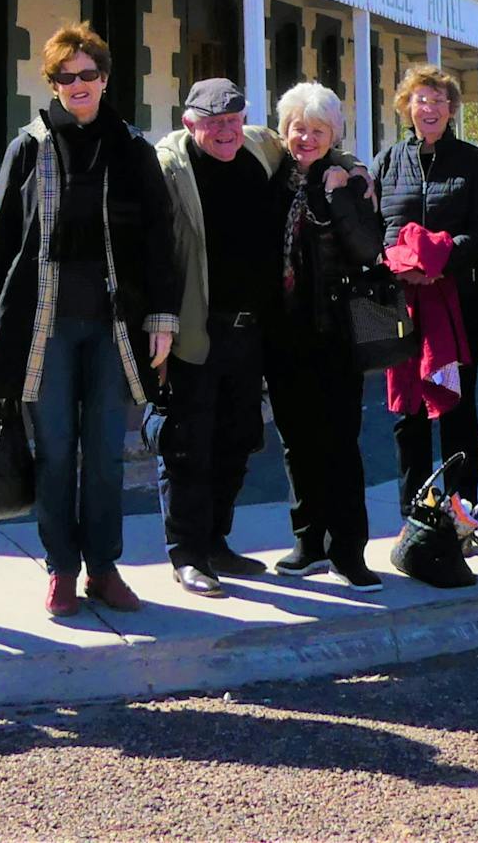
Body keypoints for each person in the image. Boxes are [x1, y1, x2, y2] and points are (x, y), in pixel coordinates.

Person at [0, 23, 179, 618]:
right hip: (47, 328)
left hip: (113, 327)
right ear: (54, 84)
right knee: (56, 450)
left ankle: (104, 567)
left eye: (88, 74)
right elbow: (3, 237)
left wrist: (162, 318)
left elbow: (158, 240)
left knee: (106, 453)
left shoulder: (133, 148)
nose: (78, 85)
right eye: (66, 77)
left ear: (105, 78)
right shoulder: (30, 147)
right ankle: (61, 569)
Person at [152, 78, 285, 597]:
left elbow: (312, 141)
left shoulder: (259, 145)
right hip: (195, 331)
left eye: (232, 119)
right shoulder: (170, 167)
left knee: (237, 438)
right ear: (190, 123)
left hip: (250, 331)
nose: (226, 130)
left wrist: (351, 164)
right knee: (187, 444)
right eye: (214, 122)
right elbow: (152, 251)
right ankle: (187, 553)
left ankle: (217, 543)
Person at [263, 82, 387, 590]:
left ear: (333, 133)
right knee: (296, 443)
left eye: (317, 130)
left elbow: (366, 248)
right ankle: (308, 542)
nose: (306, 138)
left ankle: (349, 551)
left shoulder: (349, 181)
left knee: (339, 442)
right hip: (284, 332)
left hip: (336, 332)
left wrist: (340, 192)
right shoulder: (274, 179)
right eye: (298, 128)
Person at [376, 64, 478, 517]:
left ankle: (461, 507)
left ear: (451, 109)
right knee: (407, 409)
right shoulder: (388, 161)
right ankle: (413, 512)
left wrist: (435, 262)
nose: (429, 108)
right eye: (421, 100)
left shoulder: (472, 162)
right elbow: (376, 230)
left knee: (454, 405)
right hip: (399, 304)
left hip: (455, 303)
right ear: (406, 107)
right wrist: (402, 266)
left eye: (439, 100)